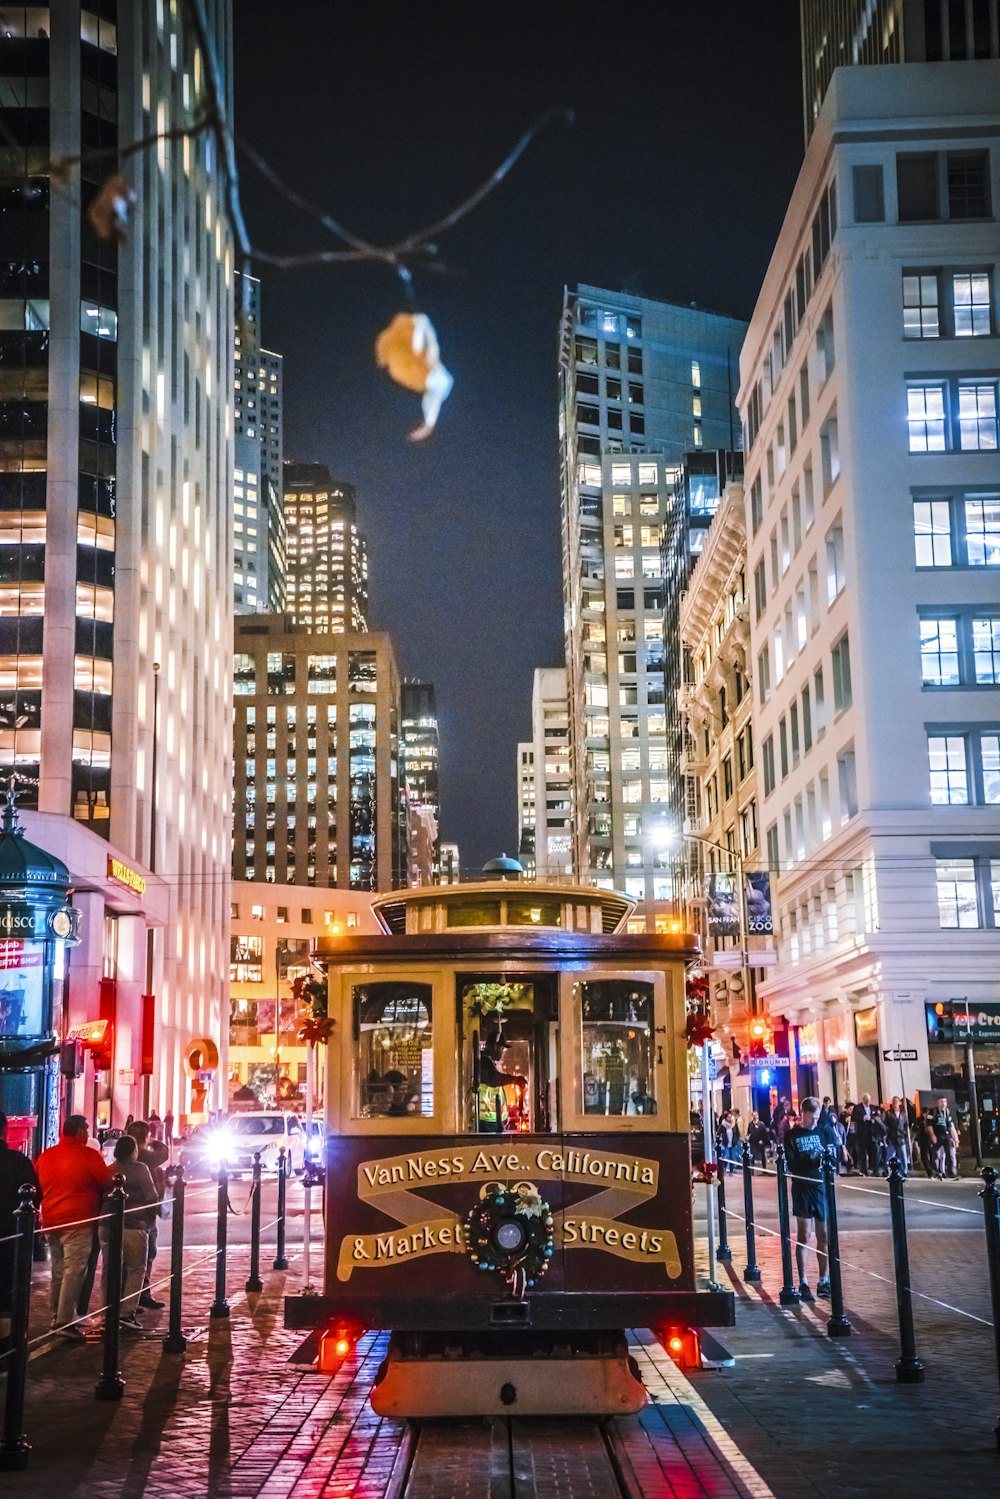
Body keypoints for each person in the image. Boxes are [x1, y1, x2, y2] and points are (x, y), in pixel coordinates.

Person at [35, 1115, 113, 1338]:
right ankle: (64, 1320)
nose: (88, 1134)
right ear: (79, 1131)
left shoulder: (47, 1156)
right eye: (86, 1129)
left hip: (51, 1220)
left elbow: (38, 1185)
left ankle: (56, 1316)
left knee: (58, 1270)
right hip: (78, 1221)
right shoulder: (88, 1155)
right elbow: (107, 1182)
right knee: (74, 1270)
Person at [783, 1096, 838, 1302]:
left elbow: (833, 1154)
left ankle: (824, 1280)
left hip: (821, 1187)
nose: (815, 1121)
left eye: (817, 1118)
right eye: (812, 1117)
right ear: (803, 1114)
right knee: (804, 1235)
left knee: (824, 1235)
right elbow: (792, 1162)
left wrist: (827, 1156)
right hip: (802, 1188)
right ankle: (803, 1281)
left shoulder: (823, 1130)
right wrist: (811, 1157)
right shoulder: (791, 1136)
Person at [101, 1136, 158, 1330]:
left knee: (110, 1268)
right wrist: (149, 1220)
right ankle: (126, 1313)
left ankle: (108, 1310)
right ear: (133, 1150)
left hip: (106, 1224)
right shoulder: (140, 1168)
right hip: (133, 1224)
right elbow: (152, 1197)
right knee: (136, 1268)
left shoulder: (110, 1169)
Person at [0, 1113, 37, 1338]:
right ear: (5, 1131)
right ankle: (7, 1347)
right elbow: (35, 1195)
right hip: (11, 1233)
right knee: (7, 1290)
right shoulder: (18, 1161)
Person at [126, 1120, 168, 1309]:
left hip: (142, 1213)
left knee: (142, 1256)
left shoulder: (129, 1153)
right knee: (144, 1255)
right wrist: (157, 1142)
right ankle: (139, 1296)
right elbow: (162, 1155)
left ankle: (139, 1294)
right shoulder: (141, 1154)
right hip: (142, 1214)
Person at [476, 1030, 526, 1133]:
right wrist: (515, 1080)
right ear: (495, 1047)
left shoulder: (487, 1061)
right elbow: (493, 1079)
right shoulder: (483, 1062)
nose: (502, 1052)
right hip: (487, 1121)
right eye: (502, 1049)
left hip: (492, 1119)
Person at [928, 1096, 959, 1178]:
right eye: (941, 1102)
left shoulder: (947, 1112)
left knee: (950, 1154)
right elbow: (929, 1125)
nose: (943, 1103)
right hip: (937, 1135)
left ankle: (951, 1172)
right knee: (936, 1154)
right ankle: (936, 1171)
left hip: (946, 1135)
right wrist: (932, 1136)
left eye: (945, 1102)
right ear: (937, 1103)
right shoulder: (933, 1111)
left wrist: (955, 1138)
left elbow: (950, 1126)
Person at [851, 1094, 878, 1175]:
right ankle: (864, 1170)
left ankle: (875, 1170)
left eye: (869, 1101)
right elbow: (853, 1118)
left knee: (874, 1152)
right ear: (863, 1100)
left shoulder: (873, 1107)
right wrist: (863, 1118)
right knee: (863, 1153)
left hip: (872, 1133)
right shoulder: (857, 1107)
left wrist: (873, 1119)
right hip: (862, 1133)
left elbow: (877, 1116)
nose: (868, 1103)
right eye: (866, 1101)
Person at [885, 1097, 910, 1175]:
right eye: (894, 1102)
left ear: (900, 1103)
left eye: (896, 1102)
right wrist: (888, 1132)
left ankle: (904, 1171)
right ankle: (888, 1170)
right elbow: (885, 1124)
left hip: (901, 1137)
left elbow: (905, 1125)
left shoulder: (903, 1114)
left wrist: (905, 1134)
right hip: (892, 1137)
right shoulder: (888, 1113)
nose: (895, 1104)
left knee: (903, 1155)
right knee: (890, 1155)